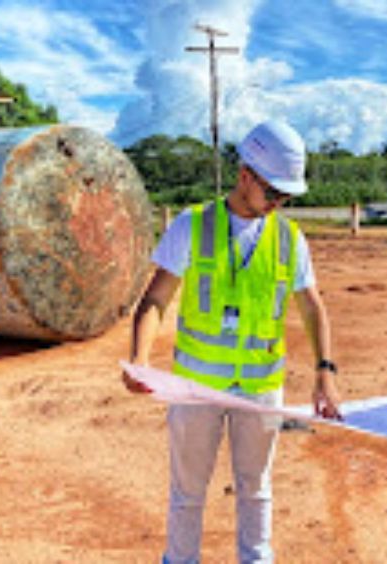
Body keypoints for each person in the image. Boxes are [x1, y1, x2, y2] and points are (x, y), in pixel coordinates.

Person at [123, 120, 341, 563]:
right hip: (196, 388)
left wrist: (325, 371)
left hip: (260, 389)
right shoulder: (192, 225)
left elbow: (312, 306)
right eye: (273, 193)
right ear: (246, 175)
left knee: (255, 488)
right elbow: (155, 300)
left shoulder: (288, 238)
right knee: (188, 491)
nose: (279, 203)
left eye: (286, 197)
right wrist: (139, 359)